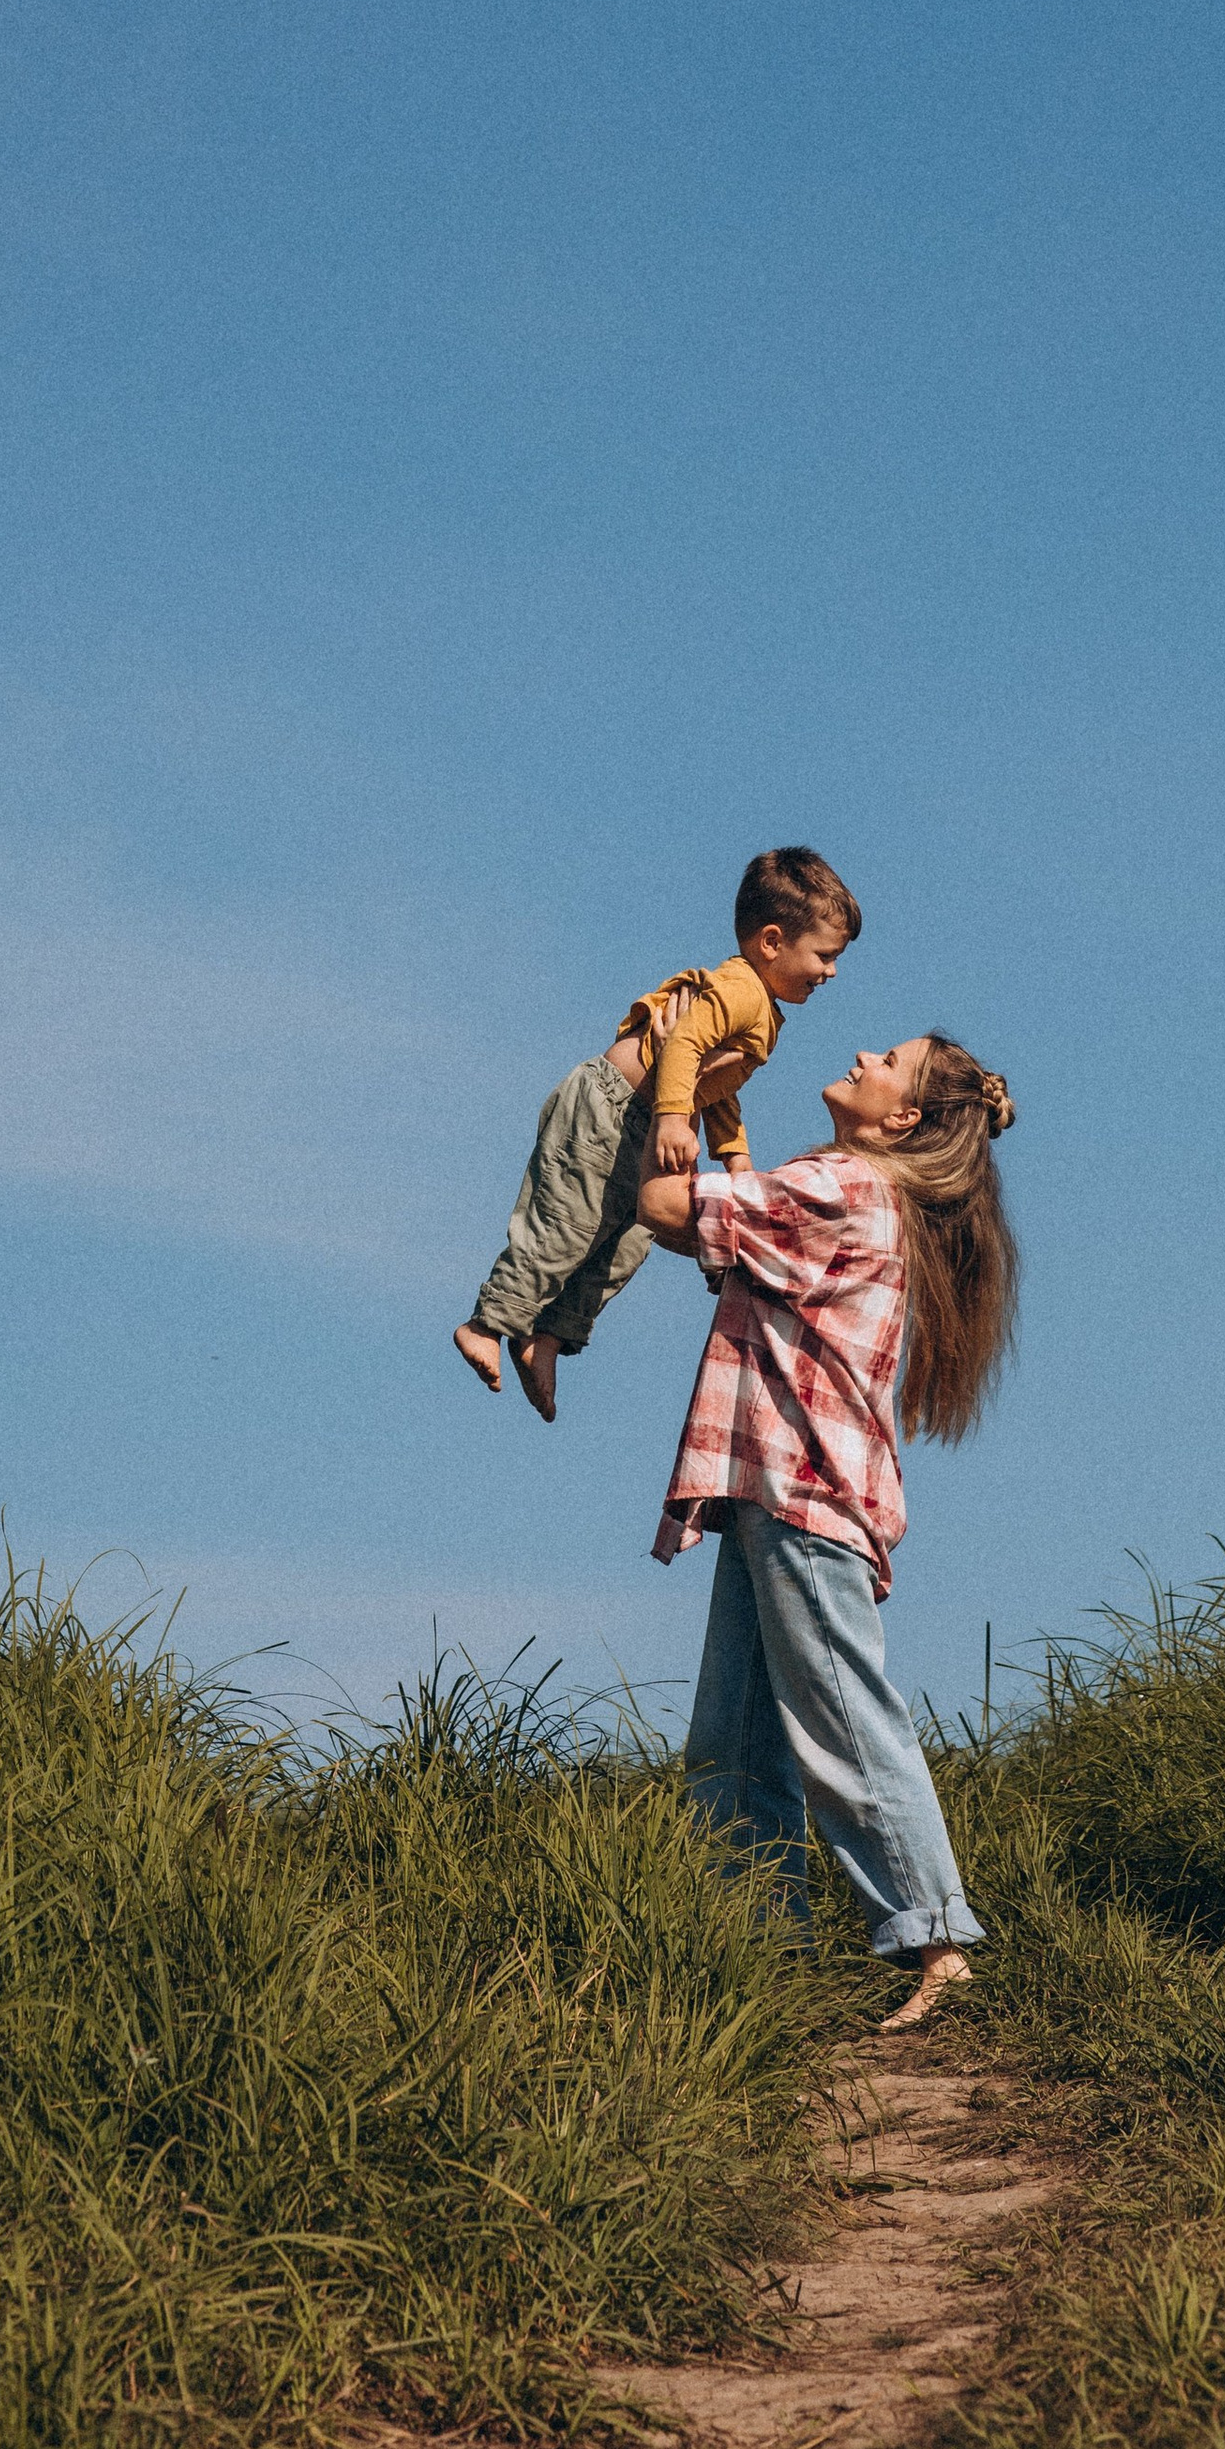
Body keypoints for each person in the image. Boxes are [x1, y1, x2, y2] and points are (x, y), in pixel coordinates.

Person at [638, 1029, 1018, 2031]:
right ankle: (760, 1955)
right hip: (776, 1490)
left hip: (800, 1492)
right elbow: (712, 1223)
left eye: (885, 1061)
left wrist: (664, 1097)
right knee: (737, 1737)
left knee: (841, 1715)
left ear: (903, 1119)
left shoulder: (844, 1186)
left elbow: (667, 1207)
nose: (860, 1055)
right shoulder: (848, 1194)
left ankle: (936, 1937)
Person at [454, 847, 859, 1424]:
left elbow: (715, 1087)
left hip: (647, 1123)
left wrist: (736, 1160)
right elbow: (686, 1044)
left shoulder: (759, 1007)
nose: (831, 971)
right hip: (612, 1110)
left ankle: (548, 1338)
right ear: (772, 941)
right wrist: (672, 1117)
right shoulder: (740, 991)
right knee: (568, 1226)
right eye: (824, 955)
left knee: (627, 1243)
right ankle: (487, 1323)